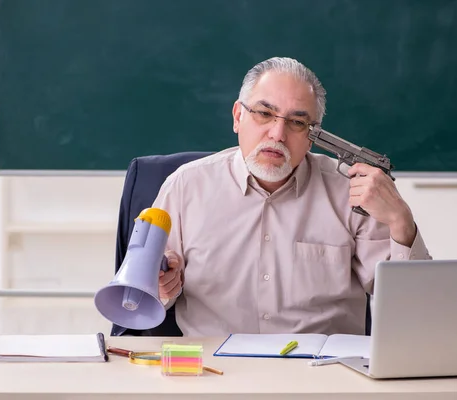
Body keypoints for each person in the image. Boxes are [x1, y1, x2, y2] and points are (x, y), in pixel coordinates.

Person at [154, 57, 431, 336]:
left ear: (313, 136)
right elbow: (142, 297)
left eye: (297, 122)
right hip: (215, 371)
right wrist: (159, 287)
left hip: (323, 372)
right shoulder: (184, 187)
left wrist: (400, 219)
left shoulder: (353, 192)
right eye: (264, 113)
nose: (277, 134)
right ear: (238, 117)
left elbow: (412, 308)